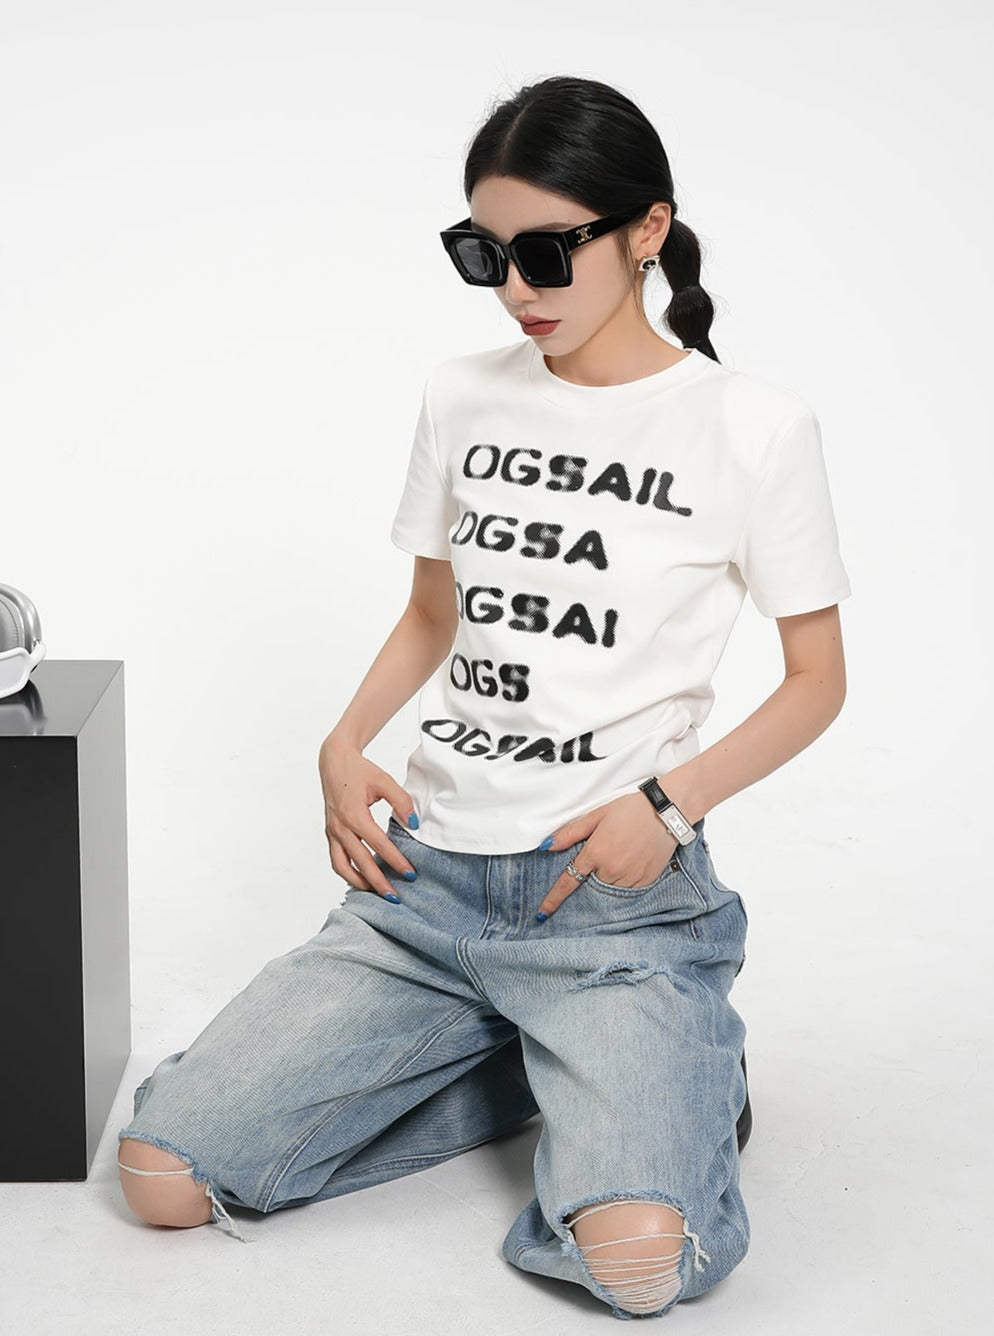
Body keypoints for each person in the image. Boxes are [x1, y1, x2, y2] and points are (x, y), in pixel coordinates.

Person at [117, 75, 851, 1320]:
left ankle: (664, 1071)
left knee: (637, 1268)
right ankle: (539, 1064)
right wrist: (344, 740)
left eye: (546, 251)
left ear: (648, 231)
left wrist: (666, 805)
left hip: (608, 905)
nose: (516, 287)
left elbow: (817, 681)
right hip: (424, 888)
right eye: (484, 252)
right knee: (163, 1178)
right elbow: (430, 612)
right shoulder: (462, 393)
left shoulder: (754, 427)